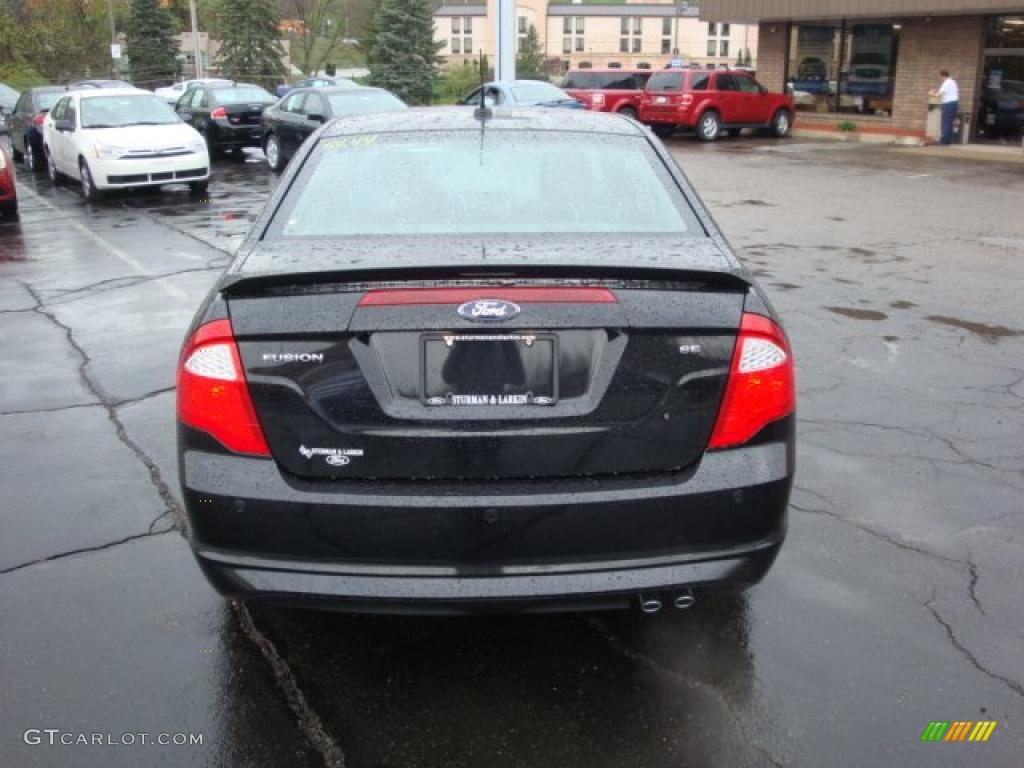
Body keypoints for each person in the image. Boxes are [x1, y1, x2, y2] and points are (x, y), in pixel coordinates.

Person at [930, 69, 959, 145]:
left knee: (945, 122)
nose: (939, 78)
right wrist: (937, 92)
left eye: (939, 76)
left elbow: (939, 95)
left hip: (948, 104)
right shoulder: (952, 82)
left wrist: (931, 93)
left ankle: (943, 141)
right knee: (949, 122)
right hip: (954, 103)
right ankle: (948, 140)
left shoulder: (946, 83)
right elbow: (944, 92)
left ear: (942, 76)